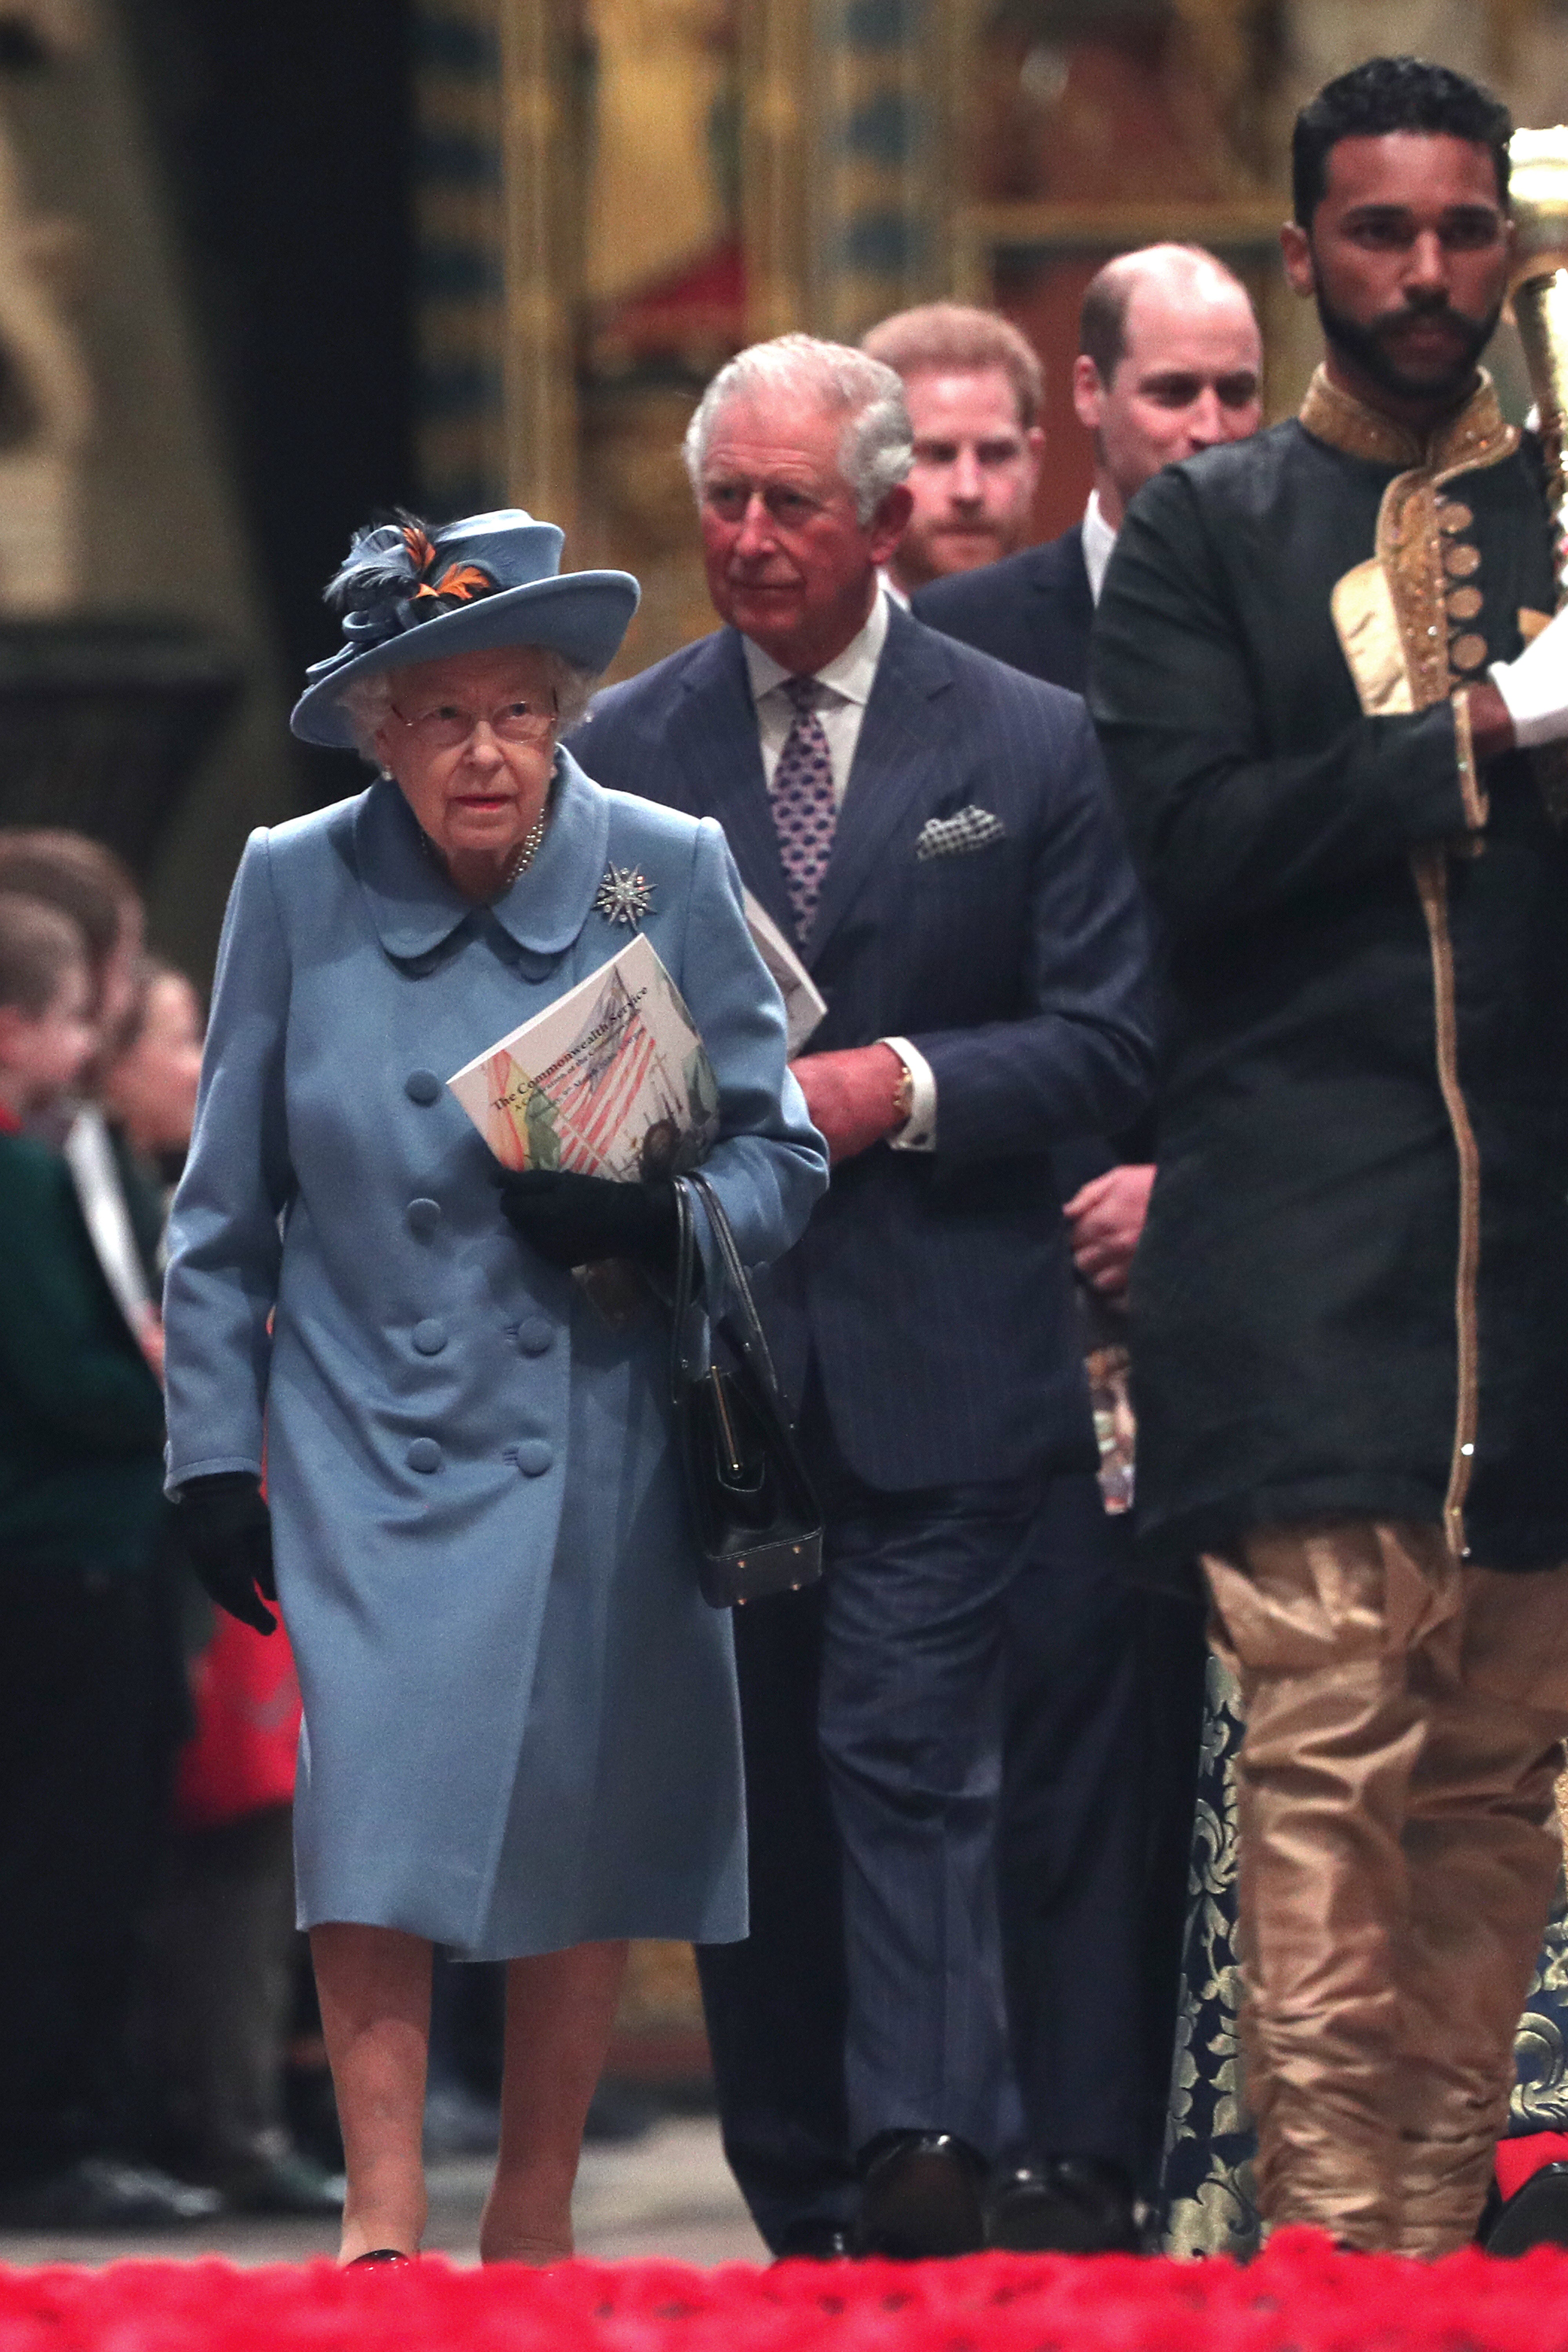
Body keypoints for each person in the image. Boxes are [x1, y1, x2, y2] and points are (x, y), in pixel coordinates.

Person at [159, 507, 827, 2268]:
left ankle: (531, 2212)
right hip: (366, 1434)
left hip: (600, 1424)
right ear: (381, 731)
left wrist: (658, 1213)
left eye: (516, 712)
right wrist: (212, 1453)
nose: (482, 751)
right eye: (440, 715)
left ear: (560, 717)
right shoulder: (294, 880)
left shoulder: (663, 866)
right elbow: (222, 1210)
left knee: (585, 1812)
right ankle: (384, 2215)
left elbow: (786, 1155)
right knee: (371, 1799)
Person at [573, 334, 1156, 2258]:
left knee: (906, 1762)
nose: (745, 539)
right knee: (762, 1815)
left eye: (788, 505)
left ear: (884, 516)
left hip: (940, 1354)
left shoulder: (1022, 740)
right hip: (715, 1379)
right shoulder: (623, 753)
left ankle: (918, 2152)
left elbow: (1100, 1047)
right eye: (721, 500)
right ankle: (802, 2189)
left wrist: (893, 1084)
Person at [1090, 55, 1568, 2256]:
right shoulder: (1212, 526)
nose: (1425, 271)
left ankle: (1433, 2262)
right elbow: (1191, 847)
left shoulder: (1555, 515)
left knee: (1492, 1797)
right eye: (1379, 230)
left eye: (1463, 227)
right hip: (1301, 1243)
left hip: (1541, 1253)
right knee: (1327, 1772)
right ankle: (1338, 2270)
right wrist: (1477, 728)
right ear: (1305, 253)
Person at [0, 891, 214, 2232]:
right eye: (81, 1018)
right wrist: (178, 1383)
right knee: (70, 1861)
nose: (90, 1046)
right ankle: (46, 2129)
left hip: (84, 1549)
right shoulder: (22, 1172)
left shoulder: (48, 1157)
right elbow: (59, 1375)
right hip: (64, 1552)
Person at [913, 245, 1261, 693]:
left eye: (1236, 394)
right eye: (1173, 393)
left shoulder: (1322, 603)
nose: (1211, 430)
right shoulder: (961, 627)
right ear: (1091, 391)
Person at [859, 304, 1044, 600]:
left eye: (996, 455)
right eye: (937, 455)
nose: (968, 491)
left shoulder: (1093, 631)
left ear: (1034, 462)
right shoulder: (817, 641)